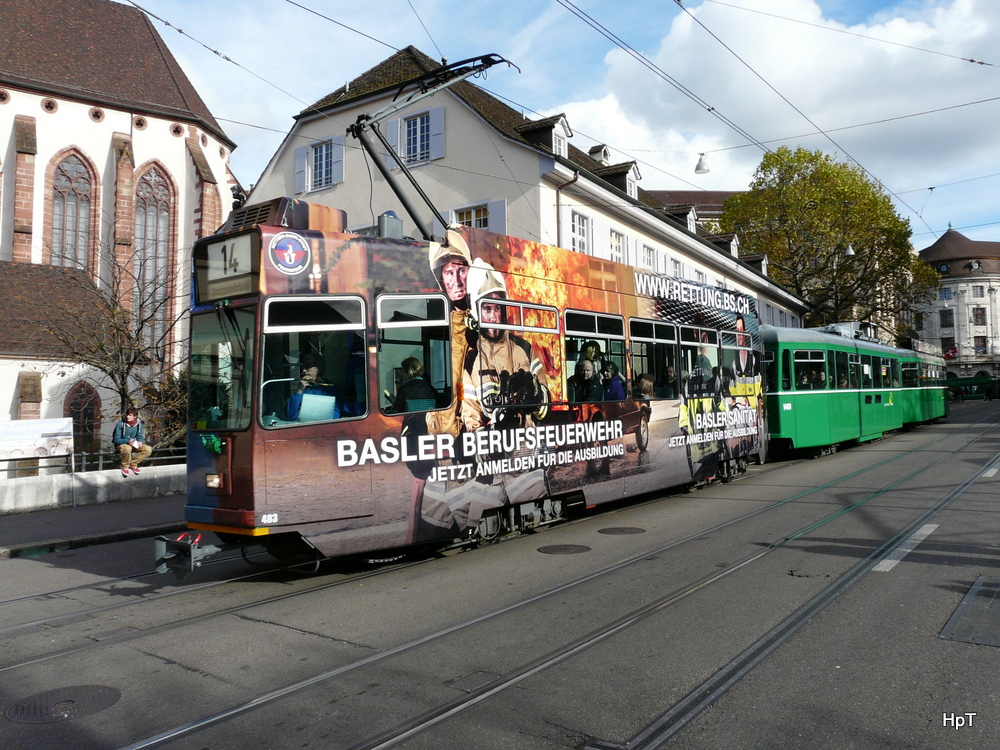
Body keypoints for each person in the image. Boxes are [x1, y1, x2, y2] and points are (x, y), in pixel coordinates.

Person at [113, 406, 152, 477]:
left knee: (148, 449)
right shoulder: (120, 424)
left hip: (134, 444)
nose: (127, 416)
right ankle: (125, 467)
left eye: (130, 415)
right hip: (122, 445)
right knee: (127, 448)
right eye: (127, 415)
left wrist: (140, 442)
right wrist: (127, 441)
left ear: (135, 416)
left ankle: (133, 464)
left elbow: (140, 437)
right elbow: (116, 440)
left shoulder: (139, 425)